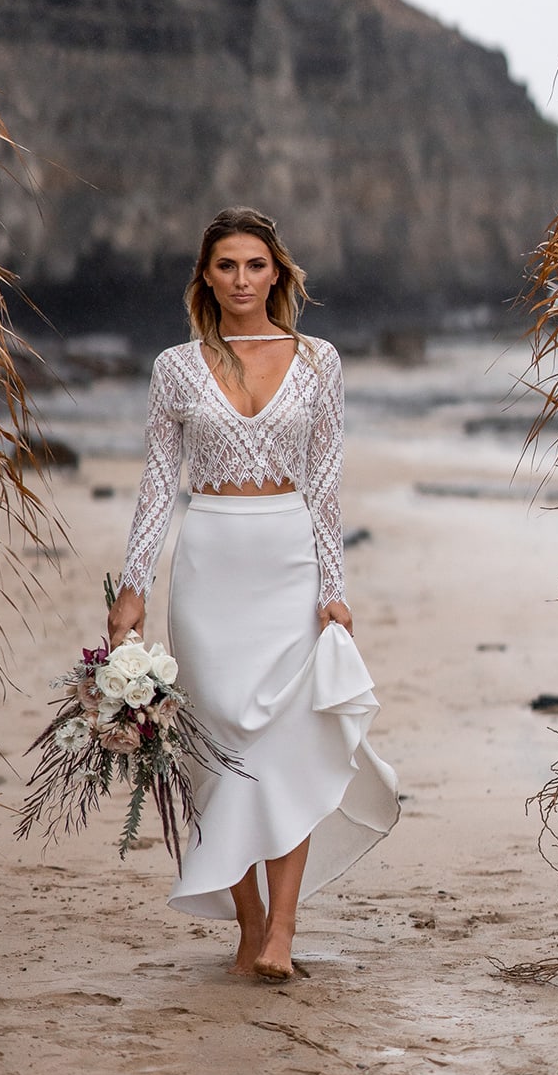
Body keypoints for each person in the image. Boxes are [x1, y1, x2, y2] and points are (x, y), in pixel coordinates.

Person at [108, 207, 399, 980]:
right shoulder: (176, 366)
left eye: (255, 265)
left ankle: (283, 932)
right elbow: (158, 485)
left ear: (278, 272)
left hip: (287, 561)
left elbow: (328, 489)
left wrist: (335, 589)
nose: (241, 279)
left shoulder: (318, 360)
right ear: (206, 276)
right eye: (227, 266)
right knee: (218, 749)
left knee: (284, 744)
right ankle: (249, 924)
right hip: (209, 564)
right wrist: (132, 587)